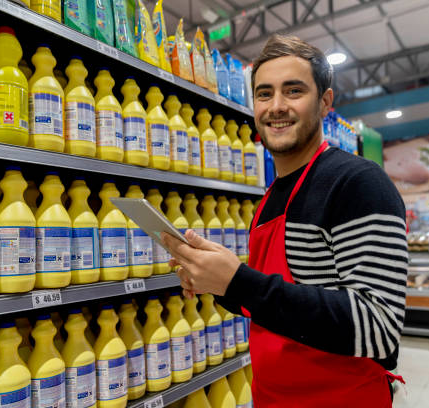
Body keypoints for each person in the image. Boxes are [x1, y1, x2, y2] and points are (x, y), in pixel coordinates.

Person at [162, 34, 407, 407]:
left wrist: (239, 282)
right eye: (264, 94)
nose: (276, 106)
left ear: (325, 102)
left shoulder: (357, 182)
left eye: (293, 91)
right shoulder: (271, 198)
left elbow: (378, 327)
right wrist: (217, 279)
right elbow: (272, 305)